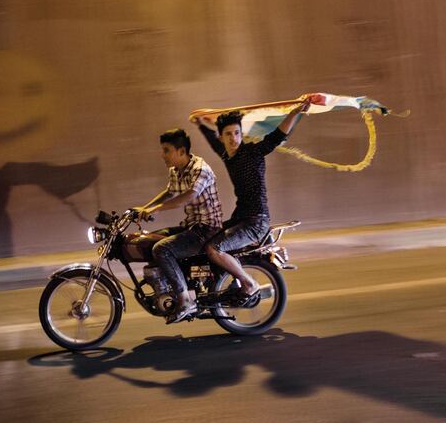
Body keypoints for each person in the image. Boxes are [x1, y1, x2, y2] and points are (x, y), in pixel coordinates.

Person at [194, 96, 315, 301]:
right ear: (222, 137)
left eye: (237, 133)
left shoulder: (253, 152)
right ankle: (222, 283)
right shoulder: (226, 154)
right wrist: (200, 123)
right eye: (228, 134)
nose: (233, 138)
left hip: (256, 221)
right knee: (203, 238)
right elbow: (212, 139)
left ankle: (249, 283)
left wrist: (294, 113)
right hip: (241, 218)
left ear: (242, 134)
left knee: (214, 249)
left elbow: (277, 137)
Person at [135, 128, 223, 323]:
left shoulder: (200, 168)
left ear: (181, 151)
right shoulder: (176, 170)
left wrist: (156, 210)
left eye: (166, 150)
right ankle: (168, 285)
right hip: (192, 225)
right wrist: (144, 208)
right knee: (151, 239)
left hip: (207, 229)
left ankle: (185, 300)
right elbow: (169, 193)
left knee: (162, 249)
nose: (162, 155)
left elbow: (189, 195)